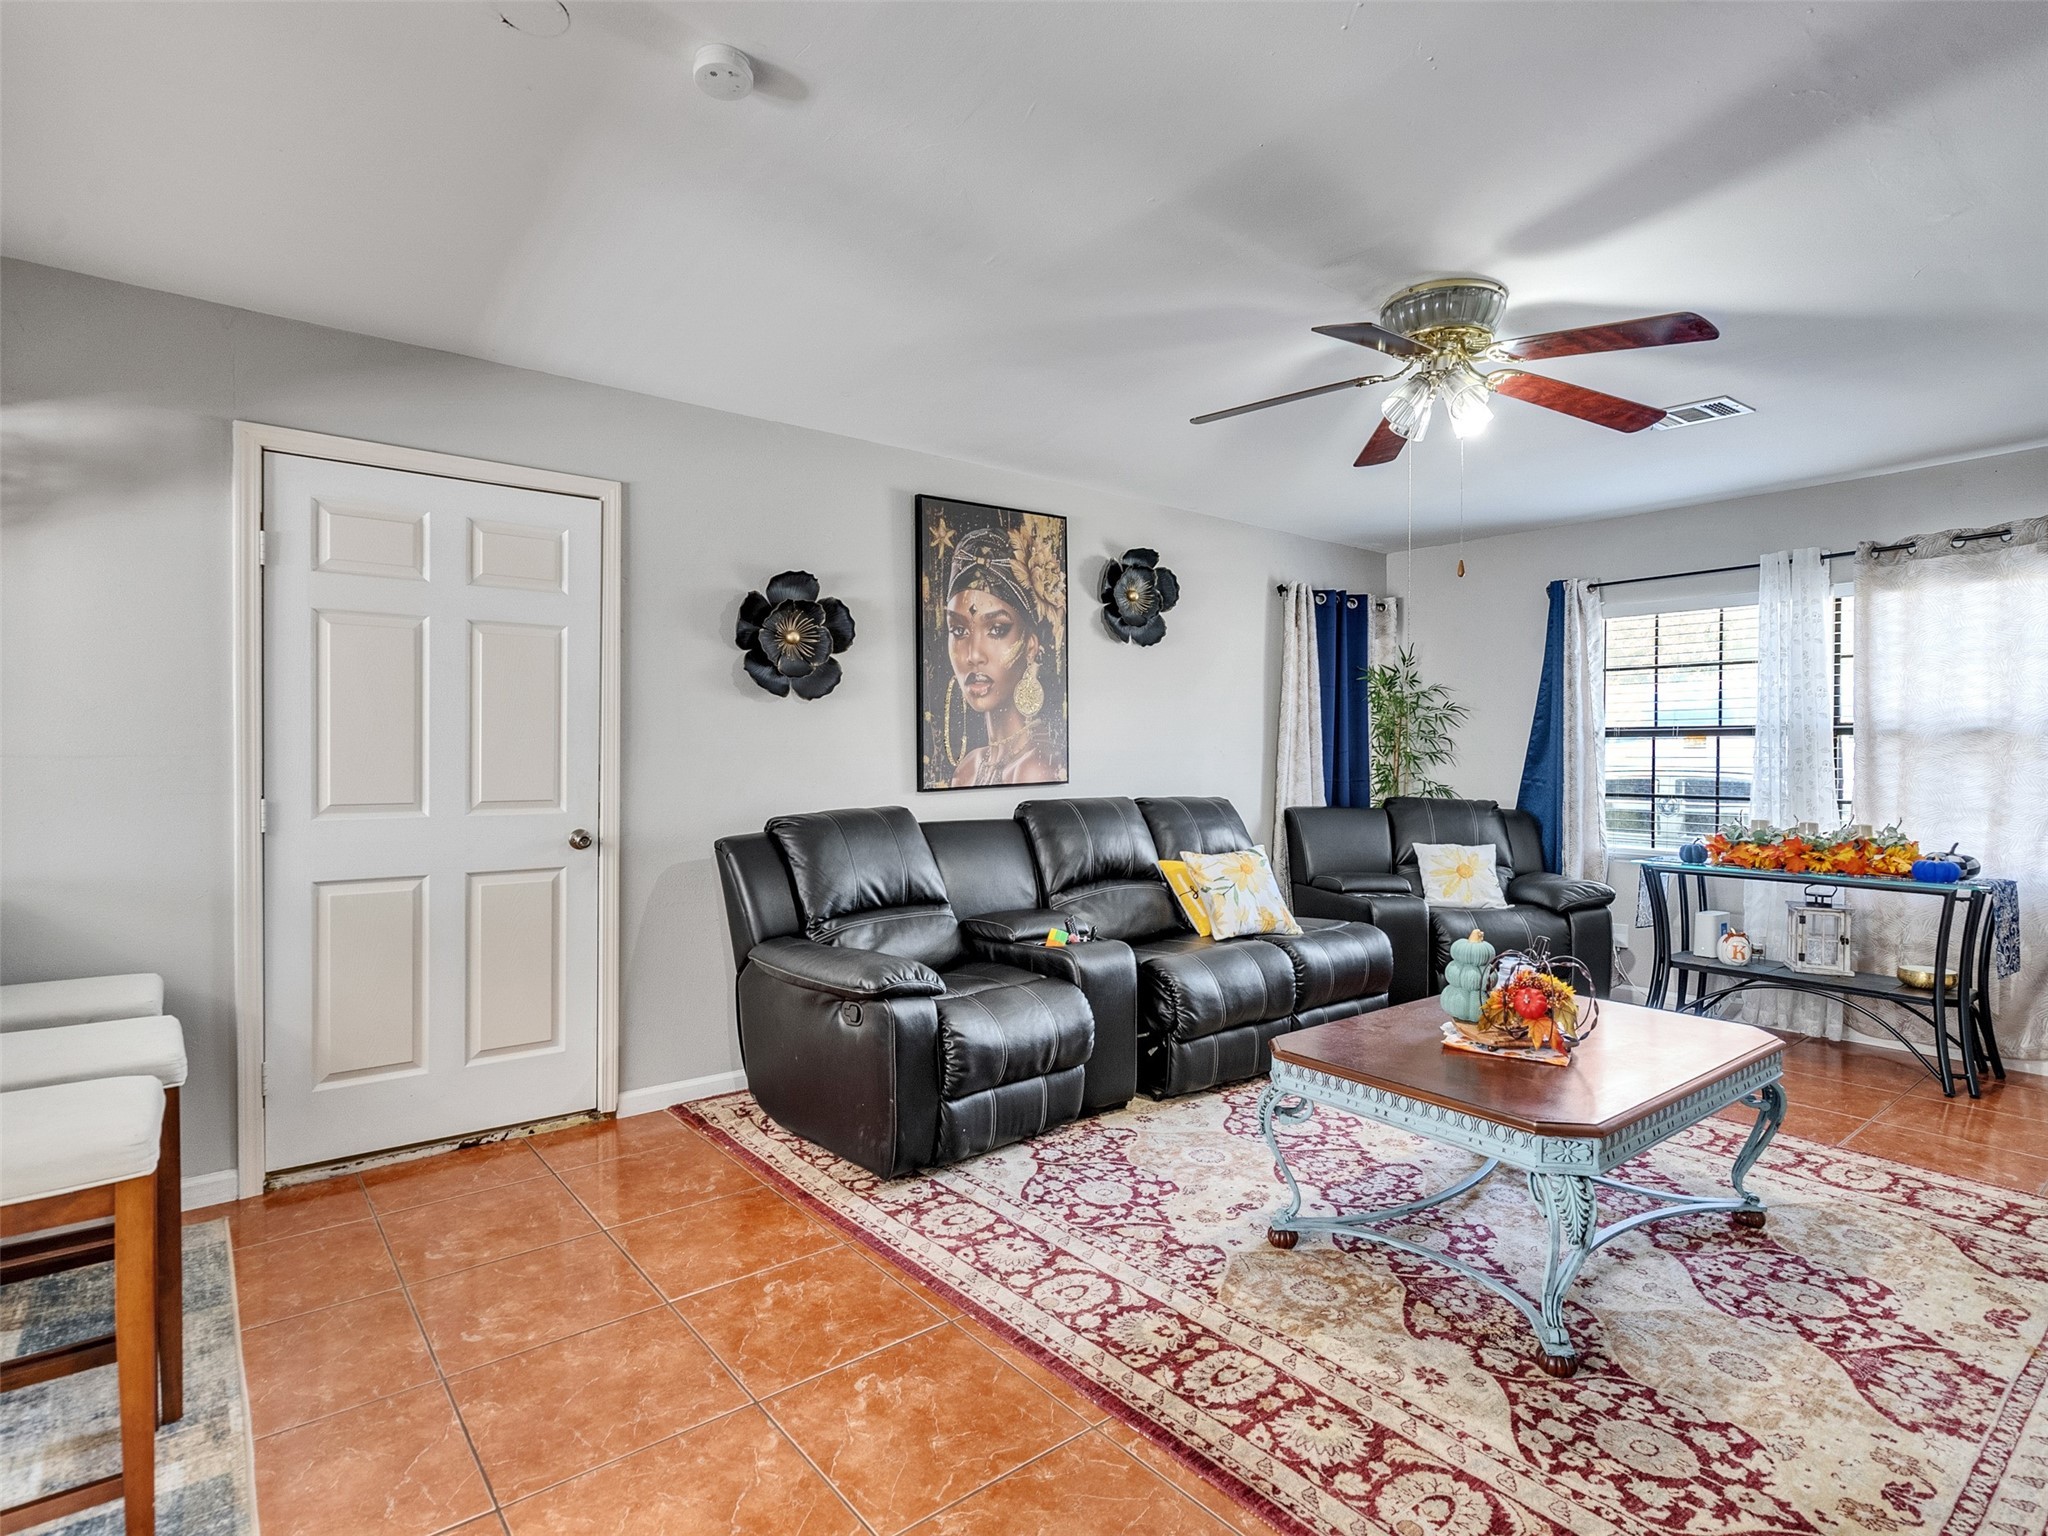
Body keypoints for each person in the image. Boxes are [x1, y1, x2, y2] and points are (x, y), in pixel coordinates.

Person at [941, 521, 1067, 787]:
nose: (974, 655)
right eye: (959, 631)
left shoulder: (1036, 768)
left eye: (996, 629)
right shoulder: (967, 769)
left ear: (1030, 646)